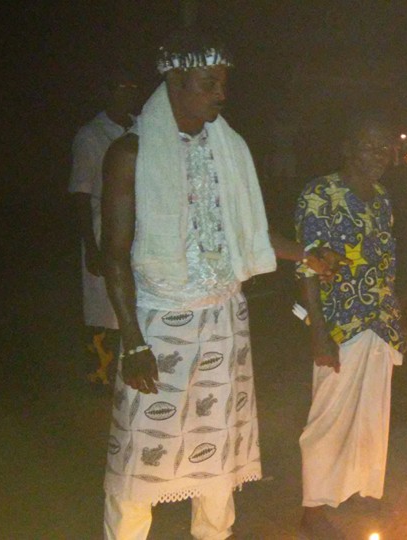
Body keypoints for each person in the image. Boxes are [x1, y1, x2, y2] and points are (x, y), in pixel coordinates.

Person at [100, 30, 276, 539]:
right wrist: (133, 341)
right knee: (140, 456)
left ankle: (213, 534)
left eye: (223, 82)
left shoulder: (227, 149)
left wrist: (308, 255)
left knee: (216, 450)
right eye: (209, 82)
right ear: (176, 82)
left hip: (223, 322)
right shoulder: (130, 154)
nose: (221, 93)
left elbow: (248, 232)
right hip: (159, 325)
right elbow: (114, 257)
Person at [295, 116, 406, 538]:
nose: (380, 156)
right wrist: (318, 332)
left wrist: (395, 313)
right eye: (370, 146)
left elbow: (385, 263)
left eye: (386, 148)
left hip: (379, 321)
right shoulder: (320, 193)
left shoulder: (381, 198)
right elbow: (306, 264)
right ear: (347, 147)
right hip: (338, 322)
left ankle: (359, 487)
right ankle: (313, 507)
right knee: (328, 417)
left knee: (370, 415)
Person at [69, 70, 138, 385]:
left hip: (138, 224)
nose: (128, 93)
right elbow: (81, 194)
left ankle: (133, 372)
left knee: (134, 299)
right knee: (103, 307)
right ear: (108, 92)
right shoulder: (91, 135)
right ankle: (101, 375)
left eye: (132, 87)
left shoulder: (141, 127)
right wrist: (91, 248)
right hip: (102, 225)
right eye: (121, 86)